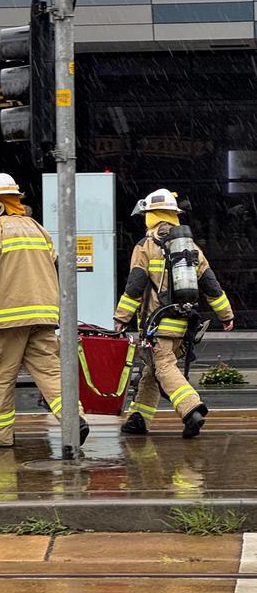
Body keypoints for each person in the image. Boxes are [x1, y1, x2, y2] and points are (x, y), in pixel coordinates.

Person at [0, 173, 89, 448]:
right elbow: (57, 268)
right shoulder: (38, 228)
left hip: (6, 320)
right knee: (51, 374)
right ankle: (74, 420)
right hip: (43, 317)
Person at [114, 188, 234, 439]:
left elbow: (134, 287)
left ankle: (191, 408)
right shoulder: (191, 248)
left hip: (157, 323)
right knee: (152, 368)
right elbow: (210, 284)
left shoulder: (145, 246)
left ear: (151, 215)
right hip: (182, 321)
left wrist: (120, 319)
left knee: (164, 366)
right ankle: (138, 418)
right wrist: (226, 315)